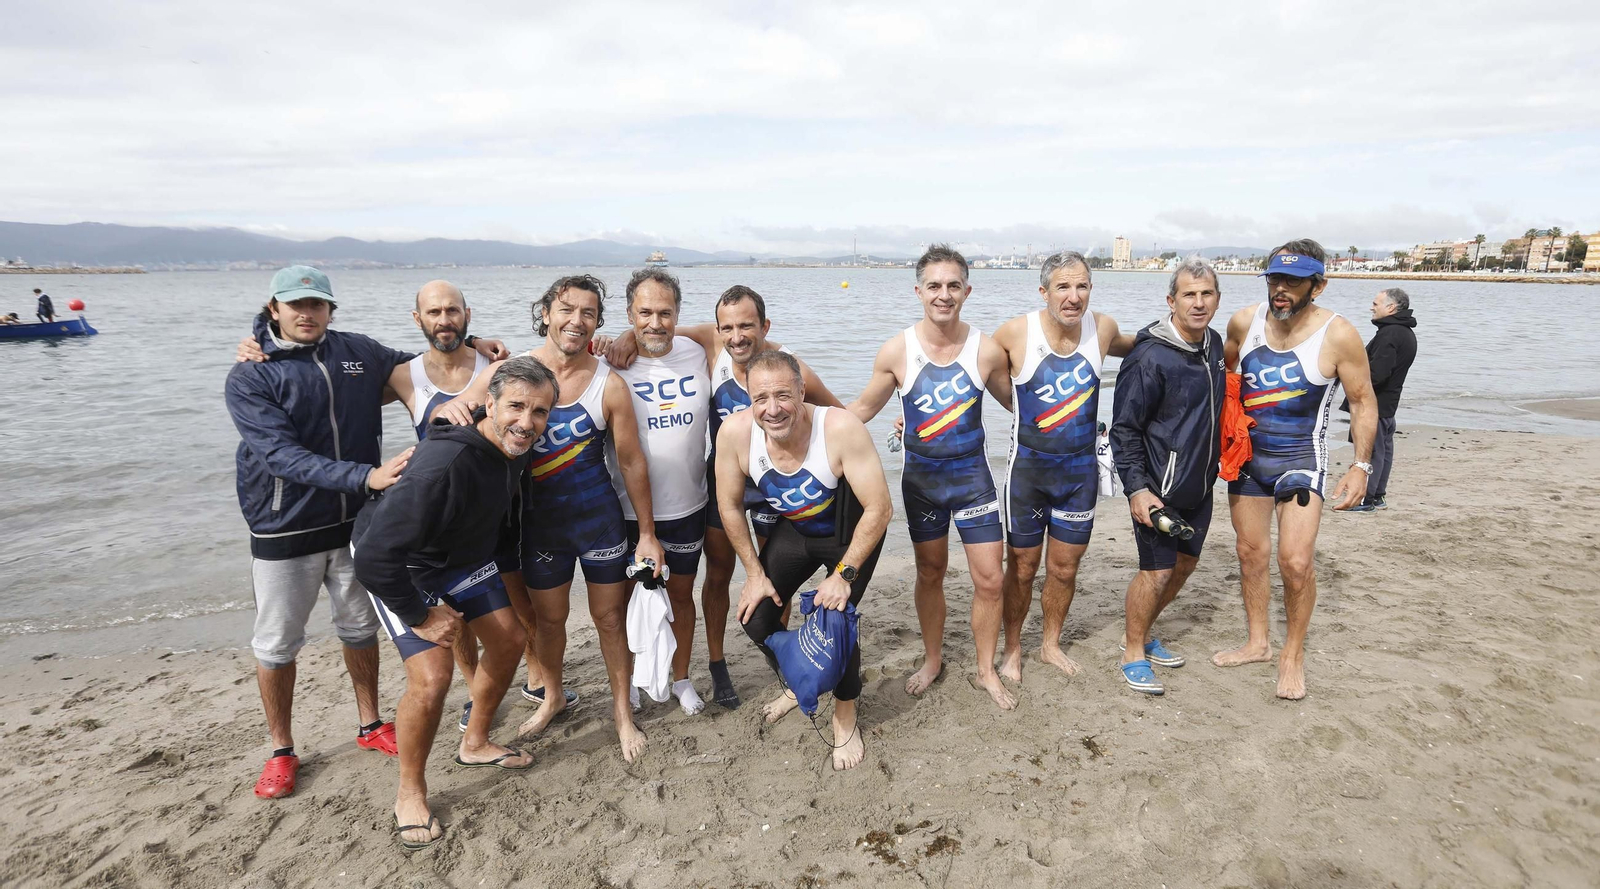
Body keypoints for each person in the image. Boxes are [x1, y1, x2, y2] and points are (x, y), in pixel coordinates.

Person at [433, 274, 663, 761]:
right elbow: (466, 412)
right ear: (545, 314)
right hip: (540, 527)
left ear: (598, 323)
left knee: (609, 619)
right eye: (566, 310)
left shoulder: (609, 384)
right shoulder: (514, 372)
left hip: (599, 522)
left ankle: (623, 713)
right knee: (548, 622)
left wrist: (646, 533)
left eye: (588, 313)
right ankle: (553, 696)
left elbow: (631, 462)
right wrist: (448, 410)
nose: (576, 321)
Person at [597, 285, 842, 710]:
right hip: (725, 483)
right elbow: (658, 330)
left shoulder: (790, 367)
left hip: (776, 488)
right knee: (718, 573)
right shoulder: (713, 346)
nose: (737, 336)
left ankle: (775, 651)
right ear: (718, 328)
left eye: (747, 326)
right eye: (728, 327)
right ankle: (716, 661)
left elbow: (837, 416)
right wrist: (623, 337)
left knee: (775, 575)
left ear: (765, 326)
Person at [223, 266, 413, 800]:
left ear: (331, 309)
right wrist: (366, 477)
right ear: (274, 309)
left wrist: (476, 343)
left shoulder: (357, 351)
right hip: (284, 528)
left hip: (354, 523)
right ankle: (281, 749)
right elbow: (280, 456)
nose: (307, 314)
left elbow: (422, 365)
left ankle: (370, 723)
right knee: (277, 643)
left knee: (359, 627)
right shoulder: (251, 375)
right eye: (296, 305)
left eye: (317, 304)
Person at [352, 356, 556, 850]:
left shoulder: (515, 444)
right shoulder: (444, 466)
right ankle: (410, 792)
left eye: (539, 411)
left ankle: (475, 742)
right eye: (516, 407)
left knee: (509, 640)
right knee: (432, 678)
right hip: (403, 564)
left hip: (462, 557)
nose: (526, 422)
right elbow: (375, 557)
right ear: (489, 404)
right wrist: (421, 615)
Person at [848, 244, 1016, 708]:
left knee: (990, 580)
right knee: (930, 572)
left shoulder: (986, 350)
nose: (944, 295)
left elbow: (1021, 406)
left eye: (953, 286)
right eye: (935, 286)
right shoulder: (896, 351)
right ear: (918, 291)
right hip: (922, 486)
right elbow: (862, 409)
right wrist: (803, 422)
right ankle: (933, 659)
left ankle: (986, 670)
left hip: (974, 483)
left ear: (967, 291)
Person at [1215, 239, 1378, 700]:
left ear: (1317, 286)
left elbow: (1363, 401)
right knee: (1250, 554)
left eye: (1292, 281)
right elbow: (1221, 377)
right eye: (1274, 279)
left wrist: (1360, 466)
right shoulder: (1244, 322)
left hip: (1301, 461)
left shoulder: (1338, 335)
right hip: (1248, 461)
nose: (1280, 289)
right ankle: (1258, 643)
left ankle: (1292, 655)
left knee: (1296, 561)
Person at [719, 350, 892, 770]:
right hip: (797, 530)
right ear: (748, 398)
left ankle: (844, 716)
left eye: (783, 395)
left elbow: (880, 509)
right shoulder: (735, 433)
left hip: (851, 533)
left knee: (836, 620)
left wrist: (843, 575)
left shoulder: (839, 428)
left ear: (801, 391)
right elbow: (729, 506)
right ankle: (798, 679)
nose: (773, 409)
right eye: (761, 398)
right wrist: (754, 573)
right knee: (756, 617)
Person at [991, 251, 1132, 685]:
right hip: (1027, 475)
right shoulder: (1014, 333)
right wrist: (909, 418)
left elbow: (1146, 349)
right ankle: (1013, 648)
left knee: (1065, 568)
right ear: (1044, 291)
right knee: (1022, 567)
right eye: (1063, 287)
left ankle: (1050, 644)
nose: (1073, 297)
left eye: (1082, 286)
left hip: (1079, 476)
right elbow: (976, 373)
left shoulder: (1102, 329)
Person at [1110, 259, 1226, 695]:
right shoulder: (1149, 356)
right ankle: (1132, 652)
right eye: (1188, 295)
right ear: (1171, 301)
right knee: (1155, 573)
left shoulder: (1213, 343)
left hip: (1201, 484)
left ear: (1217, 299)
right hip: (1158, 489)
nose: (1198, 303)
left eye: (1206, 294)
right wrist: (1137, 490)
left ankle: (1141, 633)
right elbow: (1124, 430)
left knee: (1185, 565)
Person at [606, 268, 716, 714]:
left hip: (688, 504)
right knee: (622, 601)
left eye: (665, 313)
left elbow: (744, 334)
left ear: (678, 314)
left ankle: (682, 678)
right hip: (625, 510)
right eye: (645, 313)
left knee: (681, 597)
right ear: (629, 313)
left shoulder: (699, 351)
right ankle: (631, 680)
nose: (655, 323)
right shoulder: (609, 363)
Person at [1341, 288, 1417, 511]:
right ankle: (1377, 496)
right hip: (1387, 403)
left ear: (1391, 307)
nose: (1371, 307)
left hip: (1375, 404)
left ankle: (1367, 499)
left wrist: (1352, 383)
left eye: (1376, 304)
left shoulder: (1391, 333)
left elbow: (1378, 374)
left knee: (1372, 450)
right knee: (1383, 449)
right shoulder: (1402, 331)